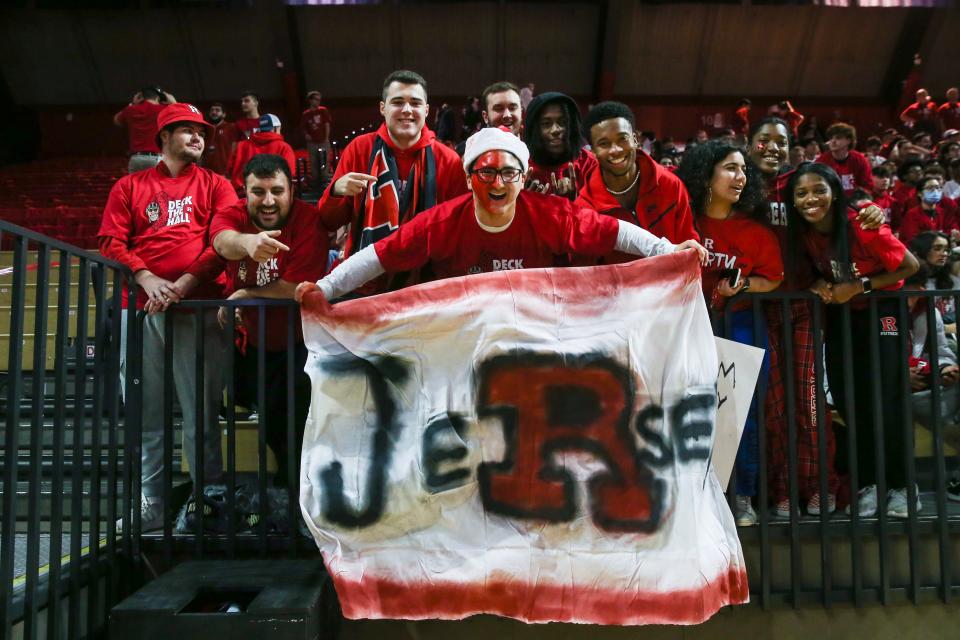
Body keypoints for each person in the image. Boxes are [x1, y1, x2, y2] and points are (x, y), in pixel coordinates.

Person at [297, 127, 706, 301]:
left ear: (523, 176)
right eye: (486, 172)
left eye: (508, 173)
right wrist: (327, 289)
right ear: (470, 175)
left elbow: (615, 232)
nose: (497, 184)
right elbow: (378, 256)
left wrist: (667, 249)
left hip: (534, 342)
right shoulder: (442, 223)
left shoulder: (551, 215)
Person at [98, 102, 237, 531]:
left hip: (197, 306)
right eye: (187, 130)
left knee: (202, 414)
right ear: (163, 137)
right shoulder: (130, 186)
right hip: (140, 308)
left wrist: (186, 284)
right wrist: (145, 277)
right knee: (147, 413)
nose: (198, 137)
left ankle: (208, 503)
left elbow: (223, 243)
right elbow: (110, 240)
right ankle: (152, 503)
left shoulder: (217, 184)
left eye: (201, 132)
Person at [786, 163, 919, 518]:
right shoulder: (803, 234)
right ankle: (871, 484)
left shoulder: (863, 223)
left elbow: (910, 266)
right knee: (849, 399)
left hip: (881, 310)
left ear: (834, 191)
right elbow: (809, 273)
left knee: (886, 399)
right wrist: (817, 284)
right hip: (842, 316)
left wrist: (858, 287)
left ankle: (903, 487)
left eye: (818, 190)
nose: (810, 199)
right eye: (801, 193)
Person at [677, 140, 783, 527]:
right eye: (729, 168)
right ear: (706, 173)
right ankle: (697, 496)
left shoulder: (755, 233)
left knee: (740, 414)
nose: (740, 177)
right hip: (688, 326)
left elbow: (772, 279)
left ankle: (742, 496)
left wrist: (743, 287)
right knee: (689, 411)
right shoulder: (683, 222)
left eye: (742, 170)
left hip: (739, 325)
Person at [211, 154, 328, 487]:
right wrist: (248, 242)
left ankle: (297, 495)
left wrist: (247, 296)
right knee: (271, 424)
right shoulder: (233, 215)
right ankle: (285, 495)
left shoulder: (308, 219)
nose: (268, 200)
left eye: (276, 190)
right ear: (244, 193)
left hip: (301, 343)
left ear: (291, 190)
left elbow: (298, 285)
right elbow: (220, 240)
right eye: (258, 191)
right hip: (253, 343)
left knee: (292, 425)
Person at [316, 70, 468, 295]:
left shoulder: (448, 160)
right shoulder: (360, 150)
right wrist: (337, 192)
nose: (407, 110)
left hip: (425, 288)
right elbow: (328, 220)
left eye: (415, 103)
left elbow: (457, 233)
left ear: (426, 110)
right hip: (364, 286)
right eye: (398, 102)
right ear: (382, 108)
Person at [573, 101, 698, 266]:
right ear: (593, 151)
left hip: (671, 288)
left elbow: (690, 243)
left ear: (635, 139)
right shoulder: (585, 209)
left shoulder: (669, 184)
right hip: (619, 291)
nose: (615, 149)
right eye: (604, 143)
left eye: (622, 139)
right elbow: (587, 274)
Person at [522, 92, 597, 198]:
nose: (555, 130)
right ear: (535, 129)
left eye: (562, 122)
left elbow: (599, 212)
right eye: (546, 124)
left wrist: (573, 202)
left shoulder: (588, 163)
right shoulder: (522, 168)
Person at [227, 114, 297, 193]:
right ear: (276, 129)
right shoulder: (284, 147)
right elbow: (289, 173)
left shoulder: (241, 145)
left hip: (242, 193)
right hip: (273, 194)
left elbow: (229, 169)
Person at [114, 85, 177, 173]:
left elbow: (116, 120)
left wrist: (132, 104)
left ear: (142, 97)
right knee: (158, 186)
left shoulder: (131, 110)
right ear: (158, 98)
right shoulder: (163, 110)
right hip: (156, 159)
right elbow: (181, 113)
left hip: (136, 159)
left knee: (136, 187)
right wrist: (174, 102)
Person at [909, 231, 960, 330]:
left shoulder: (954, 281)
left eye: (946, 250)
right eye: (937, 249)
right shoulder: (911, 284)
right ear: (922, 250)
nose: (944, 254)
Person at [815, 122, 872, 197]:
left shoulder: (860, 160)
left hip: (854, 201)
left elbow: (868, 187)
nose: (833, 141)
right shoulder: (821, 161)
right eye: (831, 138)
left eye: (838, 138)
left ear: (849, 141)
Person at [898, 174, 958, 246]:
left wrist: (953, 235)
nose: (935, 191)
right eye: (930, 188)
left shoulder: (942, 213)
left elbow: (950, 230)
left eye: (938, 188)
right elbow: (913, 240)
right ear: (920, 193)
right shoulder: (912, 215)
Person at [301, 90, 333, 190]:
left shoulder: (323, 110)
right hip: (312, 142)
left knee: (324, 160)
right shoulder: (306, 114)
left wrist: (326, 138)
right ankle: (315, 181)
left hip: (323, 140)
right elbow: (303, 127)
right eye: (316, 99)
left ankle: (324, 179)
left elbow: (327, 124)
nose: (318, 102)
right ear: (310, 100)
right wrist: (306, 135)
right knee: (314, 161)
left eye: (319, 100)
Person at [202, 102, 235, 177]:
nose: (214, 112)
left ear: (224, 114)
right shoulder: (206, 129)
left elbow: (235, 150)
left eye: (217, 110)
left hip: (225, 174)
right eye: (212, 110)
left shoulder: (231, 127)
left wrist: (230, 172)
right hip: (207, 173)